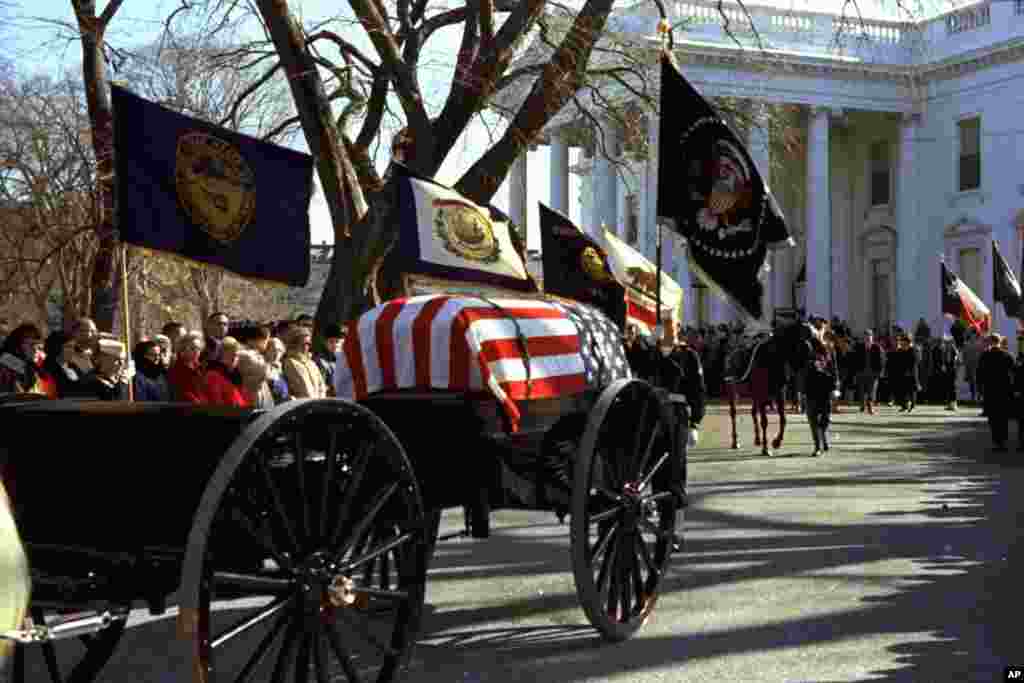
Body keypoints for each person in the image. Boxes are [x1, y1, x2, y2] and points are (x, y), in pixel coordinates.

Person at [805, 324, 840, 457]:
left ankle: (823, 434)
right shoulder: (806, 349)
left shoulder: (829, 351)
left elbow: (834, 370)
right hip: (811, 389)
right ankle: (817, 446)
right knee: (813, 420)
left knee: (825, 419)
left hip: (825, 390)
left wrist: (836, 386)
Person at [977, 333, 1015, 452]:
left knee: (993, 418)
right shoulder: (1007, 355)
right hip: (1004, 390)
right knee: (1003, 417)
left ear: (990, 342)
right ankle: (1003, 441)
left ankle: (996, 442)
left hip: (990, 390)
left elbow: (980, 374)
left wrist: (980, 390)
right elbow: (1014, 373)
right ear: (1000, 341)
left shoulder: (985, 356)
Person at [0, 323, 47, 395]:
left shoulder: (28, 366)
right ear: (18, 345)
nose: (35, 350)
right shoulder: (6, 360)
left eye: (38, 347)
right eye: (32, 345)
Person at [282, 325, 327, 399]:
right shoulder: (289, 362)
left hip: (318, 404)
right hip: (303, 406)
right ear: (294, 343)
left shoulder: (311, 363)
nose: (306, 347)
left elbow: (321, 385)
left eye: (308, 344)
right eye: (303, 343)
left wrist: (321, 400)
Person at [203, 336, 248, 407]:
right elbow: (217, 404)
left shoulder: (237, 374)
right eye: (230, 354)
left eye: (236, 355)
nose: (234, 358)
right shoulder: (213, 375)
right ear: (221, 354)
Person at [852, 329, 886, 414]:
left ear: (872, 337)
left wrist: (880, 372)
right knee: (862, 391)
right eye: (866, 336)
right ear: (863, 338)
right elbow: (854, 360)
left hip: (873, 373)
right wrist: (855, 372)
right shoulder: (859, 347)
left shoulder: (877, 347)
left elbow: (882, 361)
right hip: (861, 372)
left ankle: (870, 407)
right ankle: (862, 405)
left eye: (869, 336)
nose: (867, 338)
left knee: (872, 391)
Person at [168, 332, 207, 403]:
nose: (196, 352)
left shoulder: (201, 368)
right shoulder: (176, 369)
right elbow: (183, 393)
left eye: (198, 348)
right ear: (182, 350)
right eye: (192, 348)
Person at [42, 331, 82, 397]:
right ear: (56, 348)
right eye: (68, 347)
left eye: (73, 347)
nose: (72, 350)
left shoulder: (73, 366)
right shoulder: (49, 368)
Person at [933, 335, 961, 411]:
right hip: (947, 370)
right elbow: (944, 360)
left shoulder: (954, 350)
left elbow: (957, 361)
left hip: (952, 370)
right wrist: (943, 365)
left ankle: (954, 404)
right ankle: (949, 404)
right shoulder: (945, 350)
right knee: (948, 387)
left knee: (952, 388)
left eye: (948, 342)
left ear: (952, 342)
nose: (946, 343)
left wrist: (954, 366)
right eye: (946, 342)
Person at [264, 337, 291, 404]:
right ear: (266, 350)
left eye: (279, 350)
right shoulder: (262, 368)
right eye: (273, 350)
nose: (276, 353)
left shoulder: (280, 369)